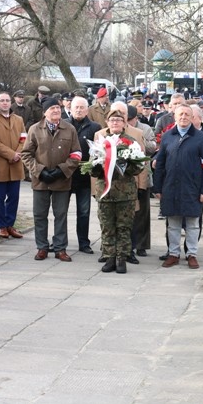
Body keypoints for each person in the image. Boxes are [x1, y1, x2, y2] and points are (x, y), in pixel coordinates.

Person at [21, 97, 82, 263]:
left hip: (61, 180)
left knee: (60, 215)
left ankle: (60, 248)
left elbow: (77, 154)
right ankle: (42, 247)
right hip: (40, 180)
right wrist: (39, 171)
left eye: (57, 107)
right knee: (39, 215)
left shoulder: (69, 129)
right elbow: (25, 154)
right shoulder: (34, 129)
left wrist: (61, 170)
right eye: (52, 108)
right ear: (45, 112)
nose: (56, 110)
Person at [153, 104, 203, 270]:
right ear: (175, 117)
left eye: (187, 114)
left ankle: (191, 254)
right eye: (180, 114)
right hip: (170, 187)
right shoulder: (167, 137)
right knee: (173, 223)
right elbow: (160, 165)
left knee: (193, 224)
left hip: (193, 189)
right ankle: (173, 254)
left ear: (192, 117)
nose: (184, 117)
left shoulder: (201, 138)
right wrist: (157, 188)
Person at [94, 109, 144, 274]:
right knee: (107, 227)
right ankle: (109, 258)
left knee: (124, 228)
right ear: (107, 123)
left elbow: (138, 167)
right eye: (112, 120)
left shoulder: (131, 142)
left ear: (124, 123)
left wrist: (124, 165)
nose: (115, 123)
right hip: (105, 193)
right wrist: (100, 165)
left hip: (125, 193)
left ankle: (121, 259)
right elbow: (92, 171)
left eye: (118, 120)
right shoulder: (101, 142)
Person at [0, 91, 26, 239]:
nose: (5, 103)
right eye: (2, 100)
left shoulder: (19, 119)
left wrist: (18, 153)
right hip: (0, 164)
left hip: (16, 164)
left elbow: (24, 138)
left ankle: (10, 224)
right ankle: (1, 226)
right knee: (0, 197)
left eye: (7, 100)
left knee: (14, 197)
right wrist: (10, 154)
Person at [65, 96, 100, 254]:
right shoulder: (63, 124)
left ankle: (83, 242)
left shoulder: (95, 127)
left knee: (84, 211)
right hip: (65, 175)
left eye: (82, 107)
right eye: (76, 107)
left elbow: (99, 151)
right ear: (70, 108)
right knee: (61, 211)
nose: (79, 110)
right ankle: (60, 241)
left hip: (85, 177)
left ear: (87, 110)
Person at [127, 102, 157, 259]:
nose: (128, 122)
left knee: (143, 213)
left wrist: (140, 139)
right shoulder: (121, 128)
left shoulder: (144, 128)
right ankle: (128, 244)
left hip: (143, 174)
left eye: (131, 119)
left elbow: (153, 146)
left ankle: (142, 245)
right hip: (126, 177)